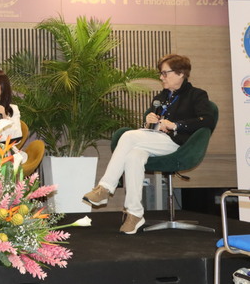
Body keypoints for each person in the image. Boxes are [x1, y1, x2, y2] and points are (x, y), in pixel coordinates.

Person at [82, 54, 215, 234]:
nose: (161, 77)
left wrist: (176, 125)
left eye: (165, 73)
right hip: (155, 140)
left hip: (178, 144)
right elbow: (151, 129)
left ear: (180, 73)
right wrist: (149, 122)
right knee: (133, 155)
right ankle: (134, 213)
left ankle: (105, 187)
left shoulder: (197, 95)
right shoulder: (161, 97)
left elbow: (206, 120)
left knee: (128, 137)